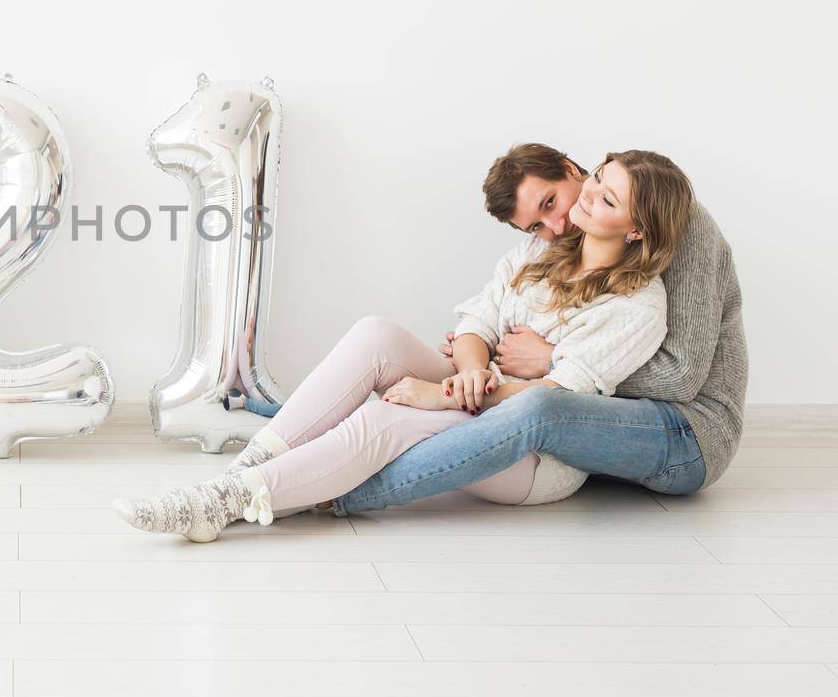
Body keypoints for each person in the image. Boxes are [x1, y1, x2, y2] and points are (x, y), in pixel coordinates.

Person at [113, 149, 694, 542]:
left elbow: (557, 407)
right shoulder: (539, 256)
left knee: (388, 418)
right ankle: (248, 472)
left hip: (537, 458)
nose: (584, 203)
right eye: (596, 180)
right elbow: (476, 325)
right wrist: (464, 377)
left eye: (608, 200)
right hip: (486, 392)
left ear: (637, 228)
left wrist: (446, 395)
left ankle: (220, 506)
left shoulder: (637, 306)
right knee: (376, 334)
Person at [317, 142, 747, 520]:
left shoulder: (682, 220)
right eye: (536, 227)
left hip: (688, 430)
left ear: (571, 171)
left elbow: (682, 375)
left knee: (541, 405)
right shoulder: (578, 232)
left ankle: (345, 493)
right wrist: (480, 353)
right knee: (393, 350)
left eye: (549, 205)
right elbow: (495, 316)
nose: (554, 230)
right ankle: (302, 457)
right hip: (592, 412)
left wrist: (554, 360)